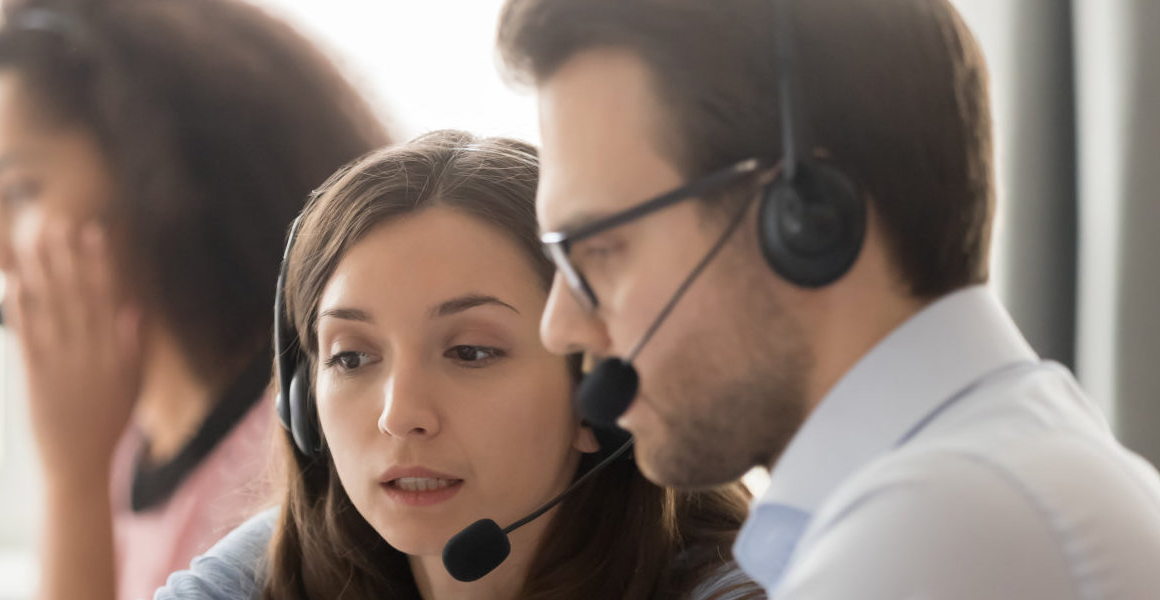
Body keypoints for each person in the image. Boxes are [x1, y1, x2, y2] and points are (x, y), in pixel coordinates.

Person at [499, 0, 1160, 598]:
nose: (561, 326)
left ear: (806, 219)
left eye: (599, 249)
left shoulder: (939, 528)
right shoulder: (997, 466)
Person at [155, 131, 762, 600]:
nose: (401, 416)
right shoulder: (266, 574)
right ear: (301, 404)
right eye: (353, 356)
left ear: (598, 391)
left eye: (470, 352)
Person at [0, 0, 388, 597]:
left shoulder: (291, 446)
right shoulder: (125, 434)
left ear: (152, 170)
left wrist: (74, 485)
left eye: (20, 191)